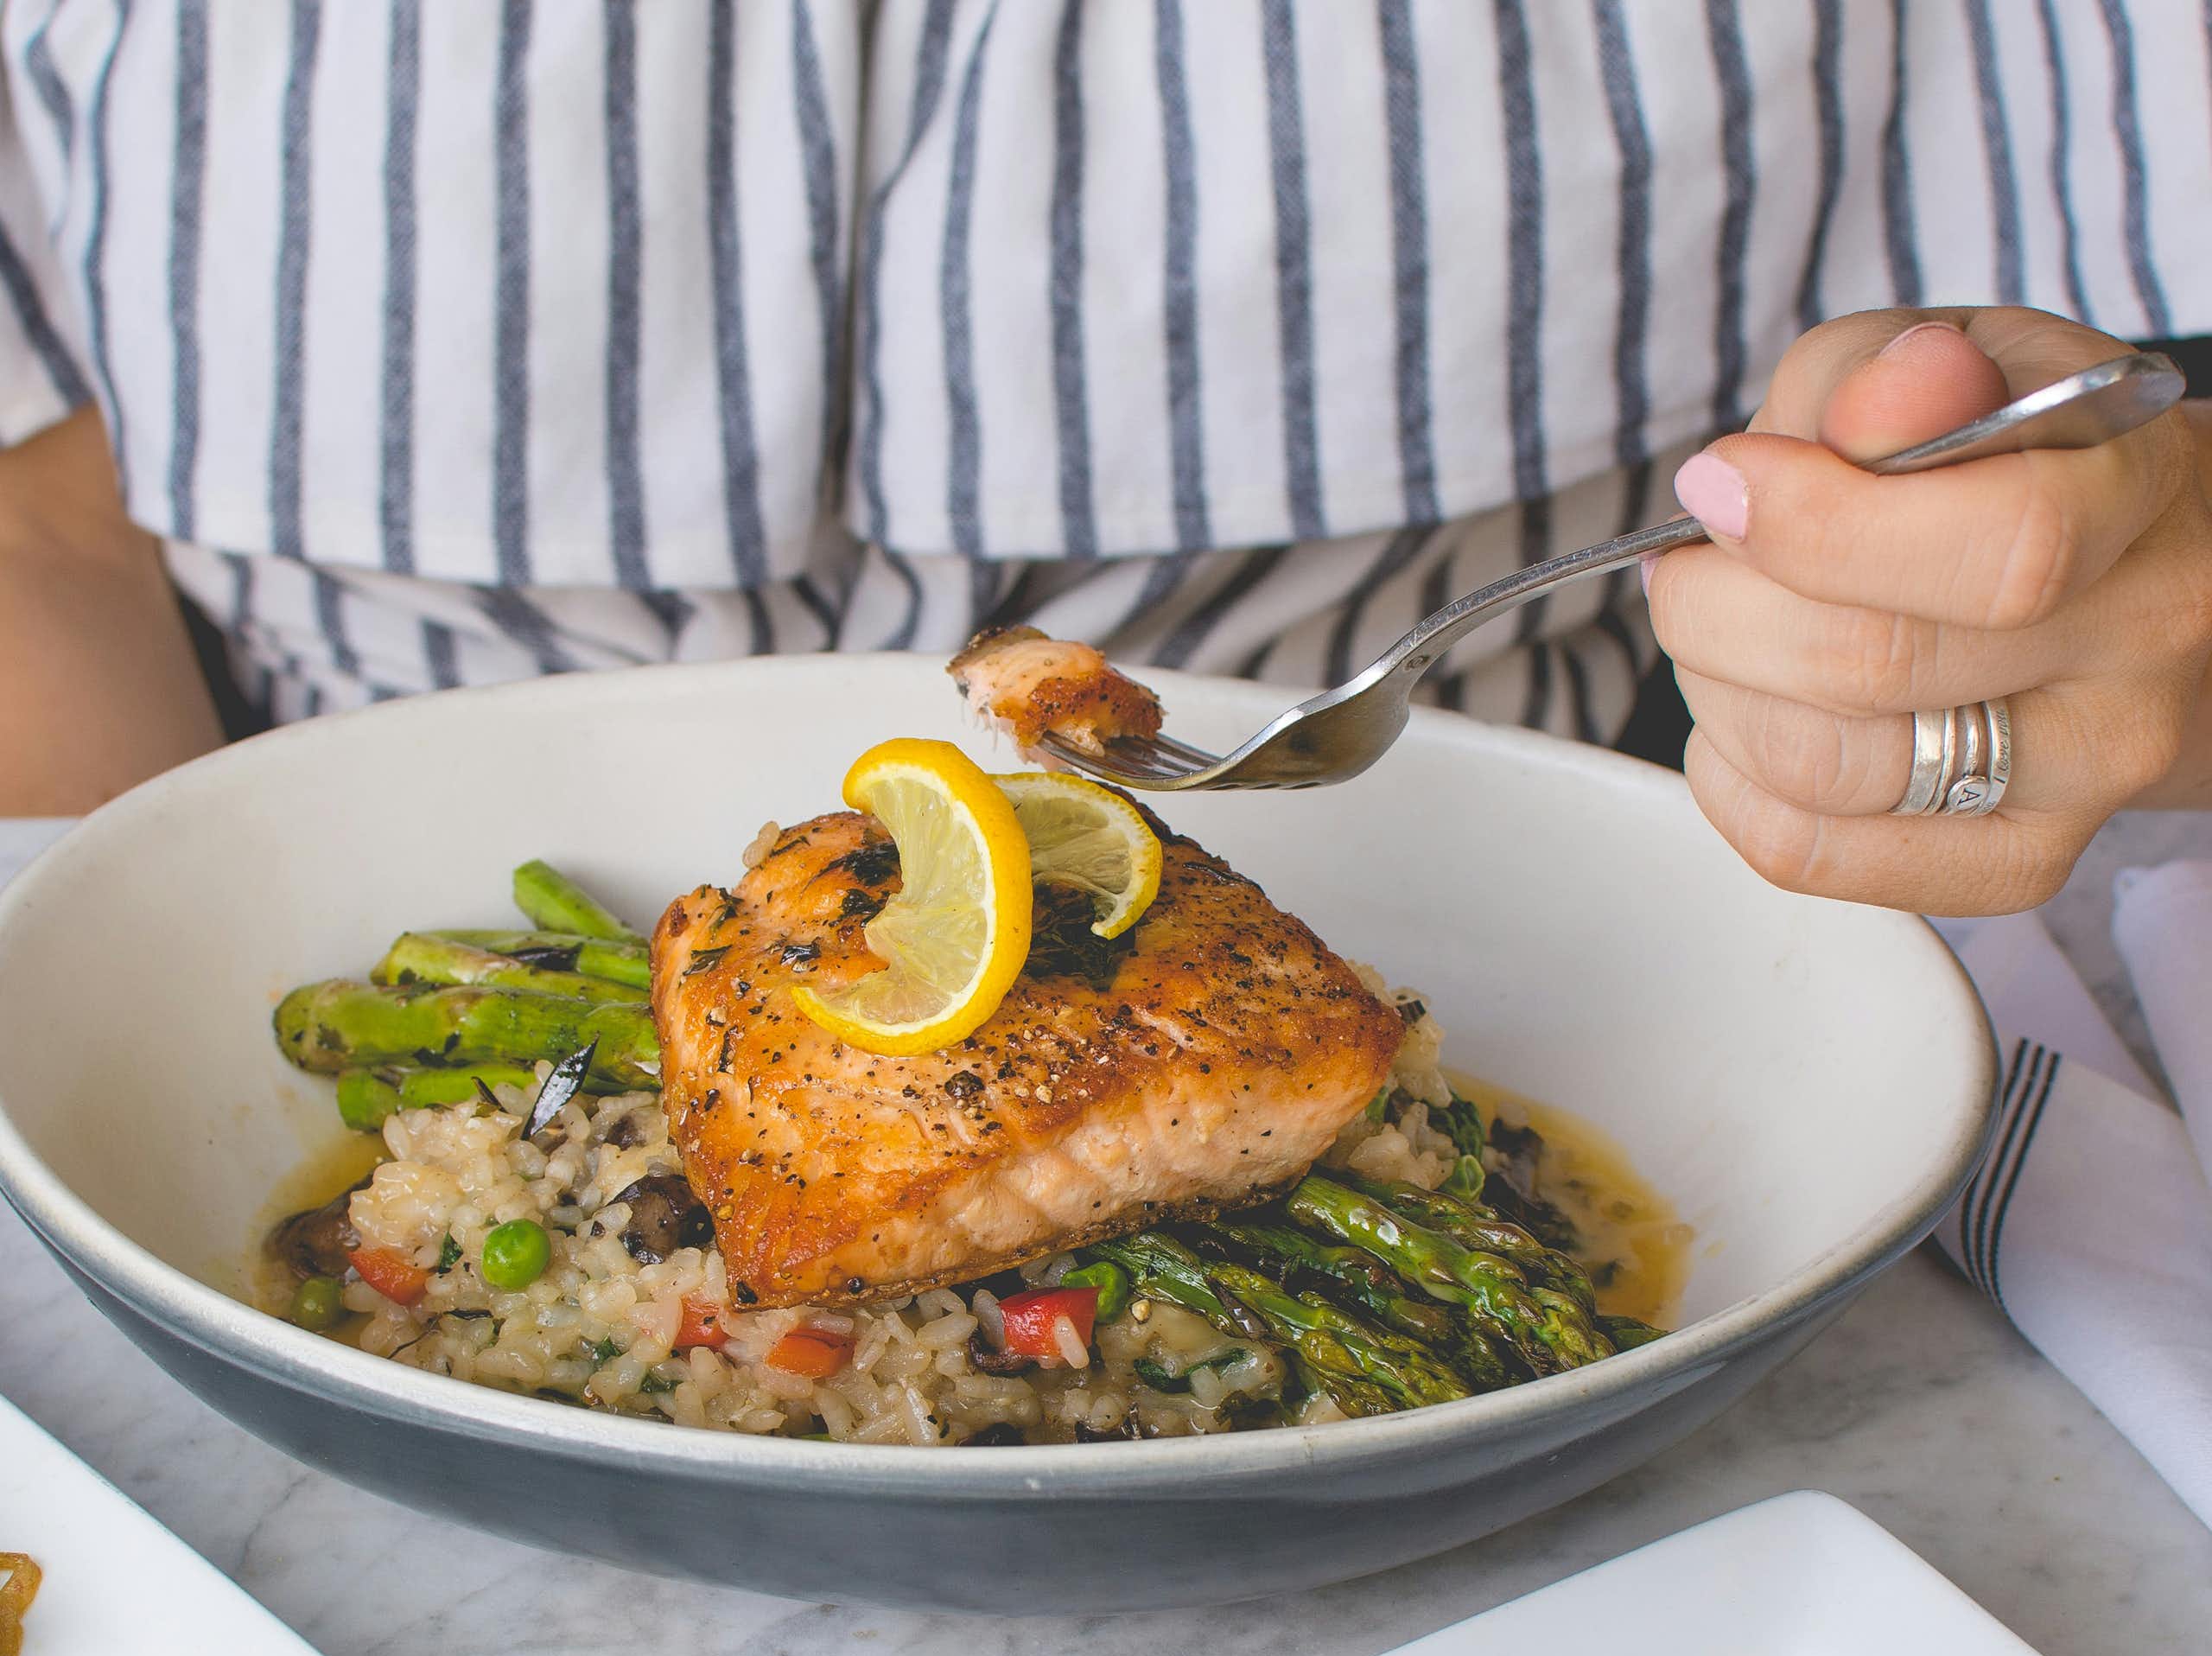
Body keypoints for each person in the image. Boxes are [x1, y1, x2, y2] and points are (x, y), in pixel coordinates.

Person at [1, 2, 2207, 919]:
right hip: (274, 875)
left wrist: (2040, 584)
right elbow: (31, 515)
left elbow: (2112, 395)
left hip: (1533, 918)